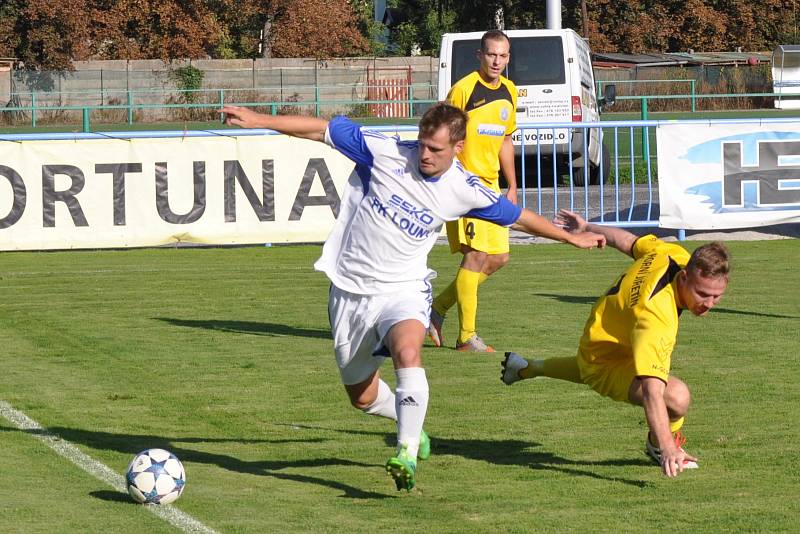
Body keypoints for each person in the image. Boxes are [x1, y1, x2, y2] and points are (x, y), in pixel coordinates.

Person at [220, 102, 605, 491]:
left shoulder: (464, 188)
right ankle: (413, 429)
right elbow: (320, 130)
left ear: (457, 147)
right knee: (363, 398)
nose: (424, 155)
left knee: (408, 351)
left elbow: (518, 216)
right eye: (422, 144)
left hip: (403, 289)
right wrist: (258, 121)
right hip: (349, 290)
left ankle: (404, 451)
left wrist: (570, 237)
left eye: (435, 149)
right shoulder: (386, 153)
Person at [501, 209, 731, 477]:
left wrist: (589, 226)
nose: (709, 304)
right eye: (703, 294)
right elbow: (651, 392)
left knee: (587, 364)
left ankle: (524, 368)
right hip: (605, 358)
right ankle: (658, 447)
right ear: (684, 277)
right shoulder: (656, 318)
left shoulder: (672, 255)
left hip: (604, 334)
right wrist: (668, 444)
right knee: (677, 397)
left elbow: (627, 241)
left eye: (717, 296)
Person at [428, 29, 519, 353]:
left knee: (499, 258)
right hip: (464, 186)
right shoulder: (463, 90)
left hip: (492, 188)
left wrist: (512, 183)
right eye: (491, 54)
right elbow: (442, 134)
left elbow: (505, 140)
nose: (497, 61)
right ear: (480, 55)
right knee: (476, 255)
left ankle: (436, 308)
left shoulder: (510, 91)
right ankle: (466, 336)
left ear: (508, 58)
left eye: (503, 55)